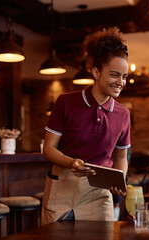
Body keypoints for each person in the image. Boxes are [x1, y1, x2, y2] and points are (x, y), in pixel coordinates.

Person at [41, 27, 131, 224]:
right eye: (115, 75)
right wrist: (71, 162)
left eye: (124, 76)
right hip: (62, 188)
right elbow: (48, 149)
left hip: (99, 192)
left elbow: (121, 157)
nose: (121, 82)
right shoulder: (65, 102)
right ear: (96, 72)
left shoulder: (123, 114)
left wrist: (119, 179)